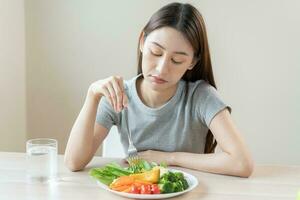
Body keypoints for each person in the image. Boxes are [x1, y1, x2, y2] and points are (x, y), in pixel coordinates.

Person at [64, 2, 253, 177]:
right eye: (156, 52)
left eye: (177, 60)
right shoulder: (119, 94)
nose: (162, 69)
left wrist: (170, 158)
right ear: (142, 42)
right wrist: (92, 95)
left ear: (192, 62)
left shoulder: (201, 96)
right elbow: (74, 162)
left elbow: (242, 163)